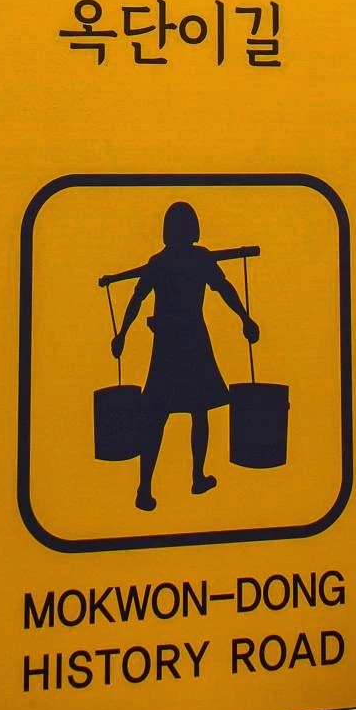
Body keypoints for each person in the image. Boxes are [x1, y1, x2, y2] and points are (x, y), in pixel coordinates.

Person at [108, 201, 258, 513]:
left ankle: (157, 485)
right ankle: (182, 480)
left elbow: (137, 299)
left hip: (173, 341)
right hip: (187, 340)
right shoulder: (197, 259)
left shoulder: (161, 263)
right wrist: (245, 318)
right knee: (191, 411)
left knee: (165, 413)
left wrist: (122, 334)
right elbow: (223, 289)